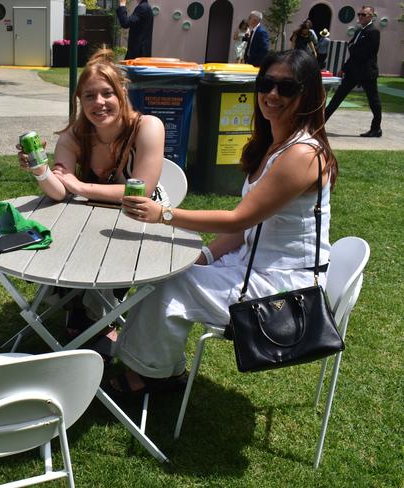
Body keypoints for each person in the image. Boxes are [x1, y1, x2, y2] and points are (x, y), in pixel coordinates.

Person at [107, 49, 337, 395]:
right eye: (267, 83)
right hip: (255, 264)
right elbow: (247, 229)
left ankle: (152, 374)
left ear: (307, 94)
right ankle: (157, 365)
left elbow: (238, 219)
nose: (272, 94)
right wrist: (205, 256)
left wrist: (164, 215)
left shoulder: (302, 155)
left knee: (167, 284)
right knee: (172, 264)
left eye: (286, 88)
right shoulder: (275, 145)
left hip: (285, 288)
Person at [17, 48, 169, 356]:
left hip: (137, 218)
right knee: (61, 241)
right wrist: (40, 170)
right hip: (90, 219)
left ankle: (98, 313)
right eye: (89, 96)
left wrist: (81, 186)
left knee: (109, 253)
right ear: (79, 100)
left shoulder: (147, 127)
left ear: (122, 93)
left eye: (107, 93)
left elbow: (139, 191)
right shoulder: (74, 135)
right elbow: (59, 192)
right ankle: (82, 305)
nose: (99, 103)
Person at [324, 5, 382, 137]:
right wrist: (343, 68)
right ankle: (320, 122)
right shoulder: (358, 31)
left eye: (364, 14)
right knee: (337, 98)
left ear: (371, 16)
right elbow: (353, 52)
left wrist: (352, 47)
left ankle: (376, 128)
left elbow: (366, 53)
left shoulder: (373, 32)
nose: (360, 17)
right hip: (353, 72)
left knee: (373, 101)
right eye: (359, 14)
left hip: (367, 72)